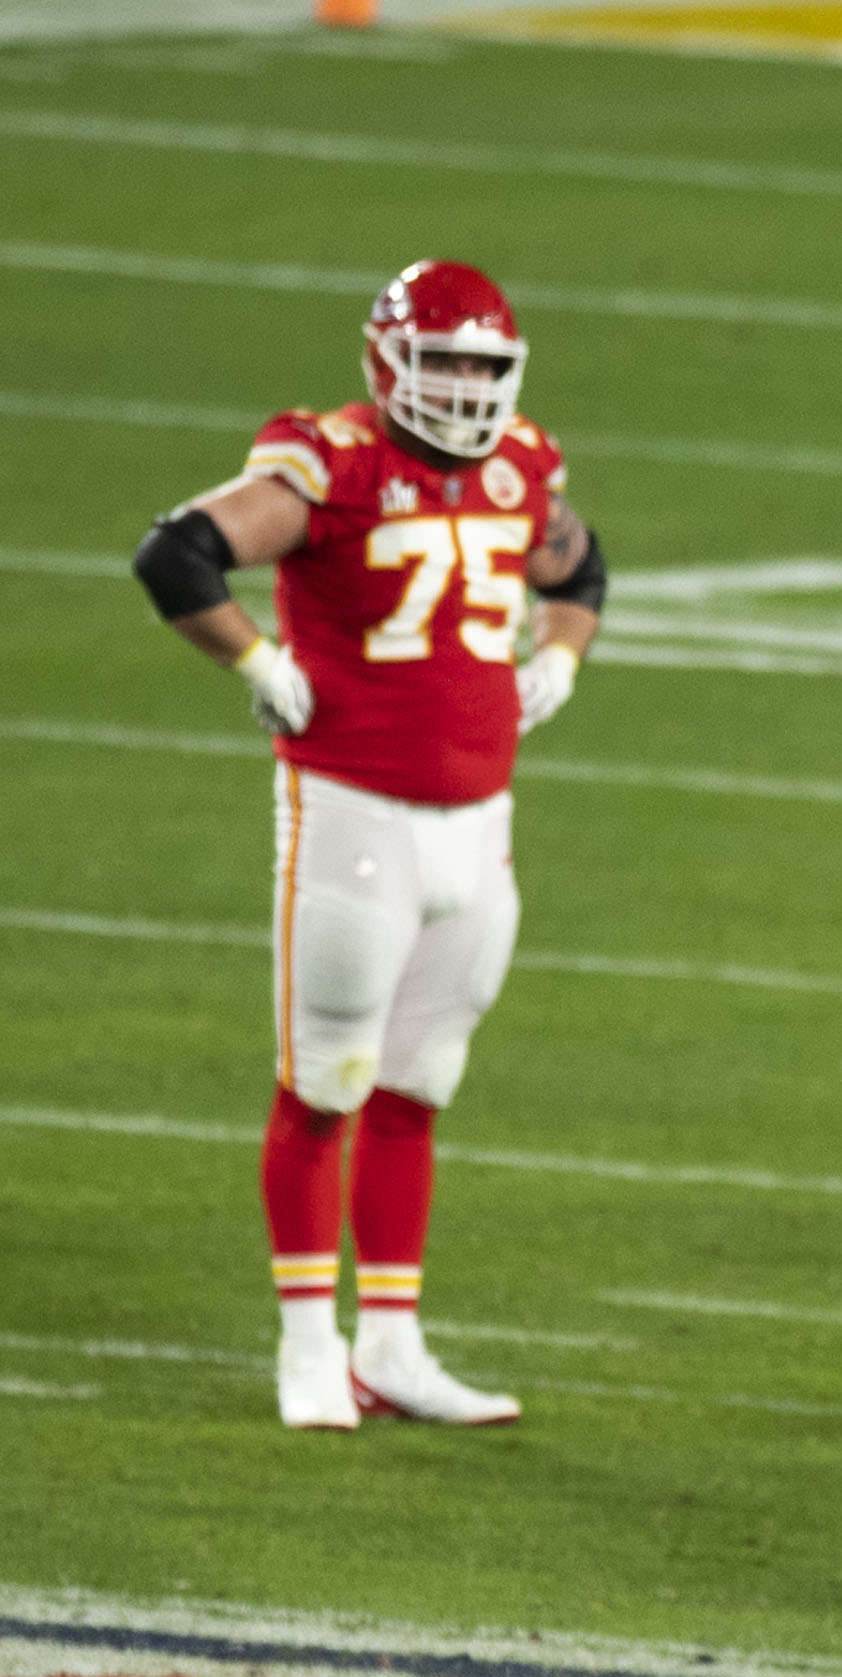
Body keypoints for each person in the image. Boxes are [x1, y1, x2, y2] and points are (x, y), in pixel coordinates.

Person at [132, 259, 606, 1430]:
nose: (459, 385)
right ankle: (307, 1350)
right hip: (352, 816)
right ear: (387, 359)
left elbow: (580, 564)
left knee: (418, 1084)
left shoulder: (518, 466)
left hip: (478, 827)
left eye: (479, 364)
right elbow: (176, 553)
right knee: (325, 1081)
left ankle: (391, 1344)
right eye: (439, 359)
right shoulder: (329, 463)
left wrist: (560, 650)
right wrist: (253, 656)